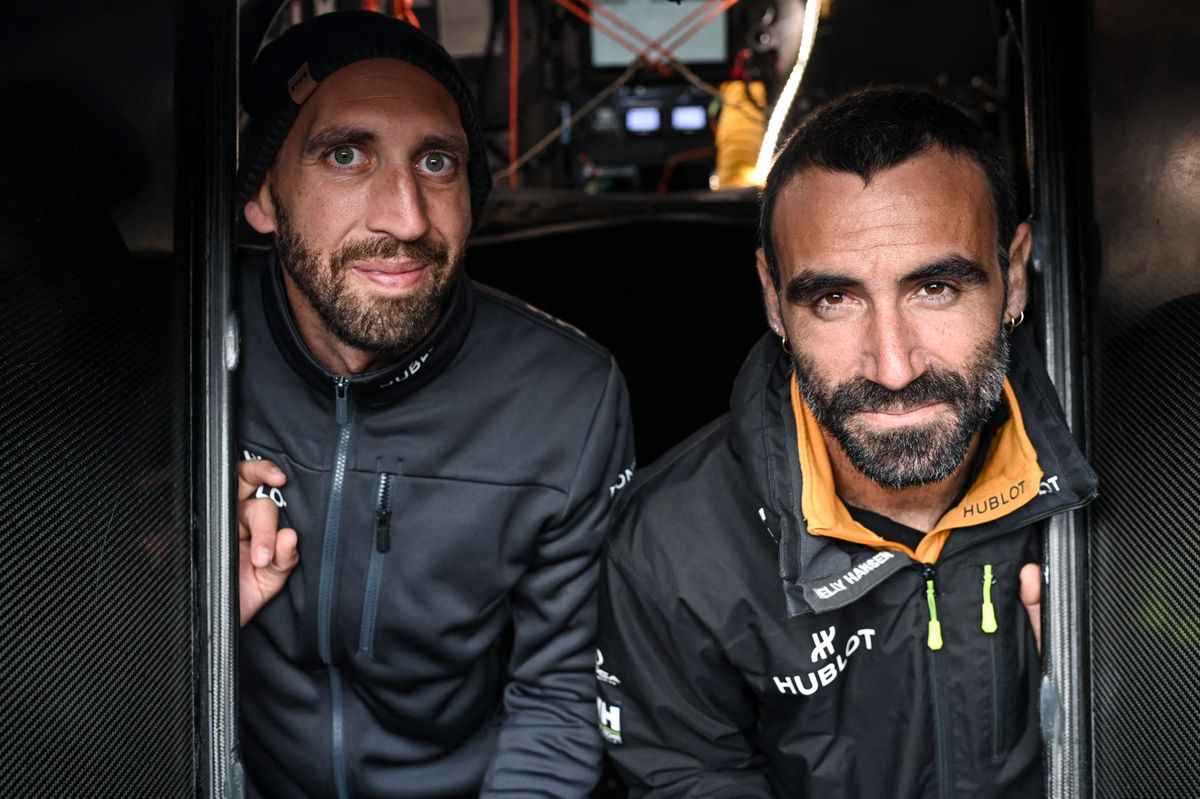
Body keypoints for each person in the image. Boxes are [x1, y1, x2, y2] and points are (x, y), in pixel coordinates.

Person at [596, 87, 1098, 797]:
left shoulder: (1134, 468)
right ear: (773, 298)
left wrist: (1117, 684)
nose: (893, 367)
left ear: (1014, 275)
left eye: (936, 288)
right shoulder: (672, 545)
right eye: (834, 299)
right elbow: (688, 777)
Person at [233, 11, 634, 798]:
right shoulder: (175, 354)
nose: (407, 217)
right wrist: (182, 598)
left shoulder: (566, 397)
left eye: (439, 162)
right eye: (346, 155)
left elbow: (559, 701)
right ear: (263, 197)